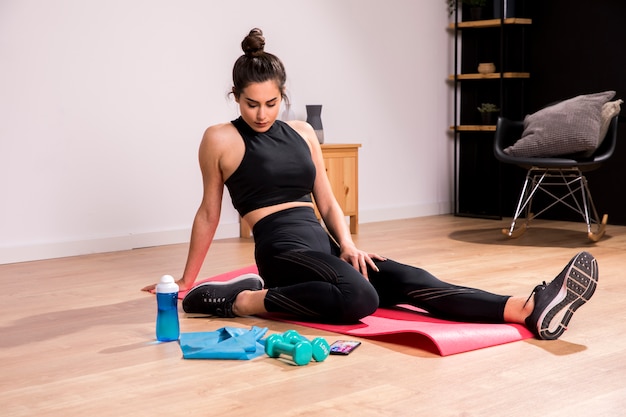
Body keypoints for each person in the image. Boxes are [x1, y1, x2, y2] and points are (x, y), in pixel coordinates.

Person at [142, 28, 598, 341]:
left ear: (284, 95)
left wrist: (349, 244)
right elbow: (209, 212)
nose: (261, 114)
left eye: (271, 102)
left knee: (408, 279)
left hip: (322, 245)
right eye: (251, 104)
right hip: (281, 252)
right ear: (235, 96)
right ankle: (244, 300)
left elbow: (326, 199)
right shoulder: (219, 138)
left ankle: (528, 306)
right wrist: (186, 279)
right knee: (359, 296)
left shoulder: (300, 133)